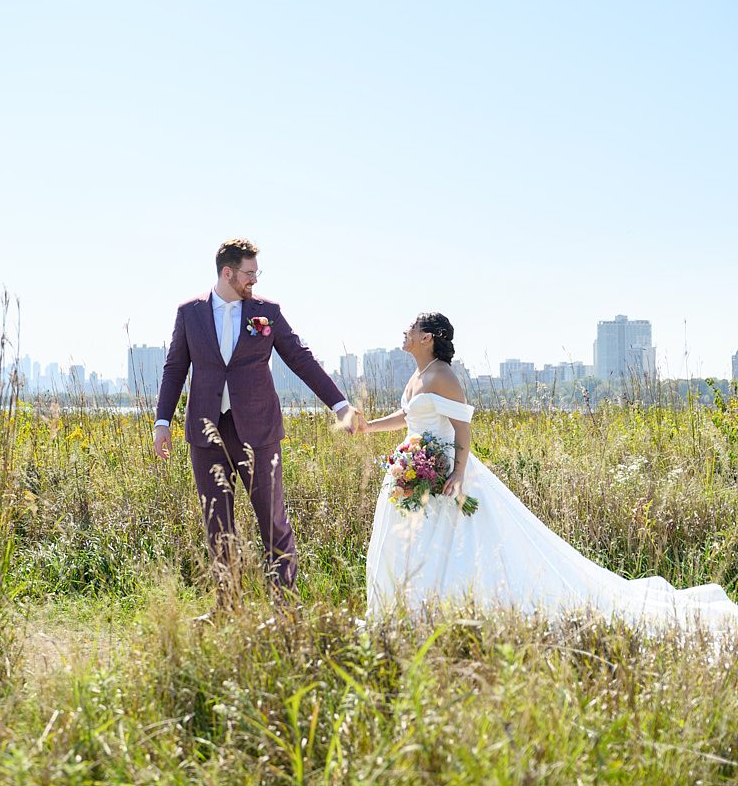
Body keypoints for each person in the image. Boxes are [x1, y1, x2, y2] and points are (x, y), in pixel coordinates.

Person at [360, 312, 738, 630]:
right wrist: (368, 427)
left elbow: (463, 429)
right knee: (416, 542)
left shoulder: (443, 374)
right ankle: (411, 613)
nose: (404, 334)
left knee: (460, 544)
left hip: (444, 472)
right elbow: (407, 417)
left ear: (427, 337)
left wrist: (458, 473)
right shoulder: (416, 376)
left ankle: (454, 611)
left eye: (411, 329)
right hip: (415, 470)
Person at [153, 238, 364, 594]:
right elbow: (175, 368)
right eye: (249, 273)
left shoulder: (267, 312)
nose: (255, 280)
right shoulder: (189, 313)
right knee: (217, 524)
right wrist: (163, 422)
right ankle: (227, 605)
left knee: (272, 520)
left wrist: (340, 405)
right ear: (227, 272)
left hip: (259, 433)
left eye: (256, 273)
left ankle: (285, 603)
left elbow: (301, 359)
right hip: (206, 433)